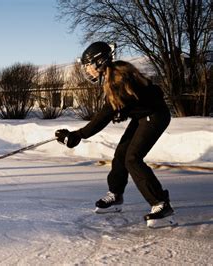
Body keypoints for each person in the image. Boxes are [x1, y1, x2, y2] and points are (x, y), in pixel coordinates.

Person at [55, 41, 176, 228]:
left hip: (155, 116)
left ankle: (161, 204)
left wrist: (77, 135)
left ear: (99, 62)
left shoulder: (118, 76)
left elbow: (105, 114)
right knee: (121, 154)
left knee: (133, 159)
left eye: (88, 65)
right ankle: (115, 195)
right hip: (143, 117)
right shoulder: (113, 74)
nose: (87, 70)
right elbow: (121, 105)